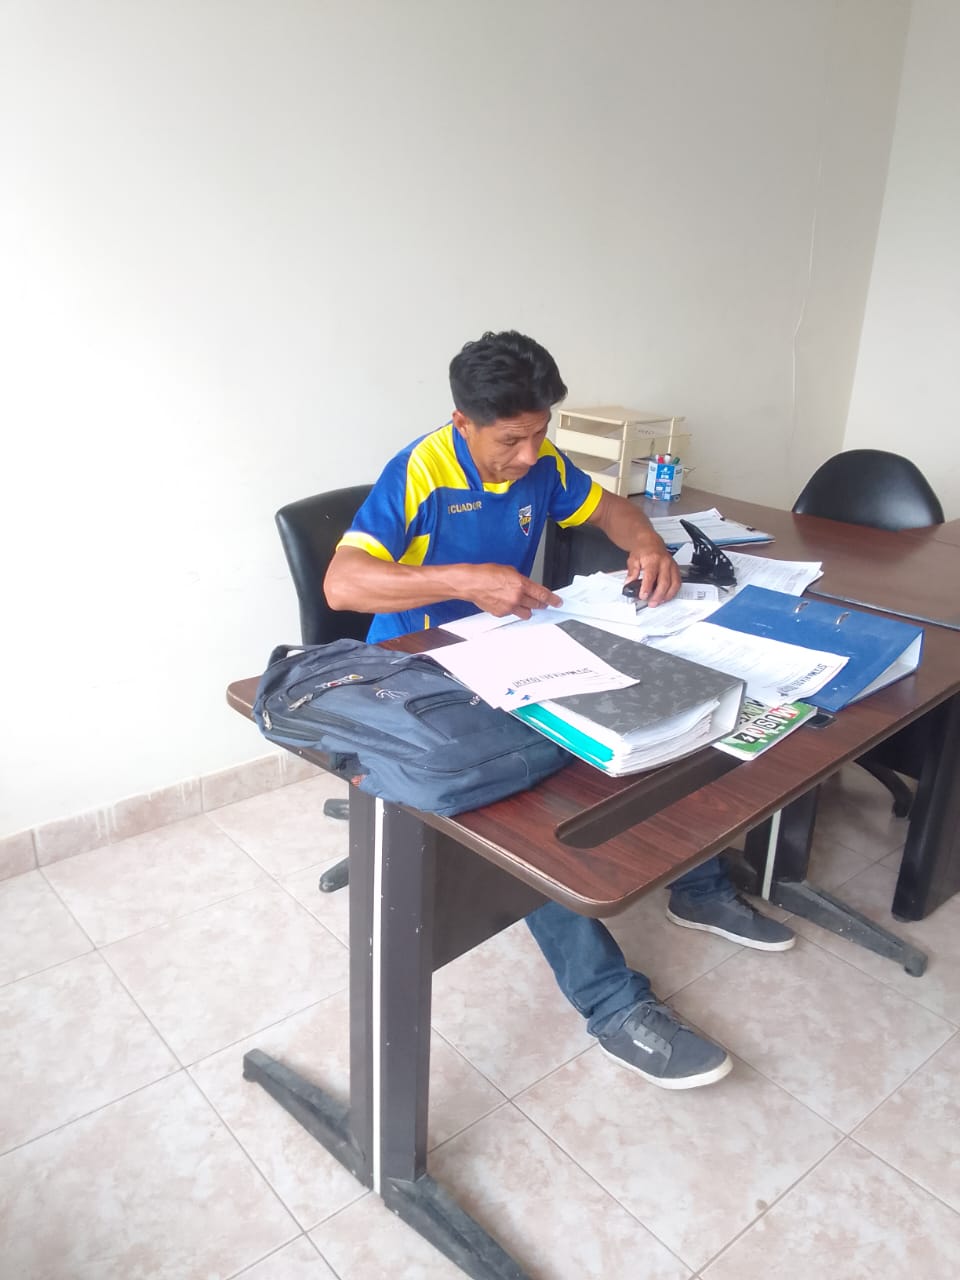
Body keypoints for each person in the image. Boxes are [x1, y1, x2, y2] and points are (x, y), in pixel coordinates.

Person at [324, 330, 795, 1090]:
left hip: (516, 648)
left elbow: (611, 511)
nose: (528, 455)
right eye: (510, 441)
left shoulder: (543, 462)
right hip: (422, 668)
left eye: (539, 434)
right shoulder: (419, 472)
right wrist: (467, 579)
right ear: (462, 422)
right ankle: (613, 1005)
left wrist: (649, 547)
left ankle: (700, 889)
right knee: (528, 811)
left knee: (664, 720)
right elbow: (343, 585)